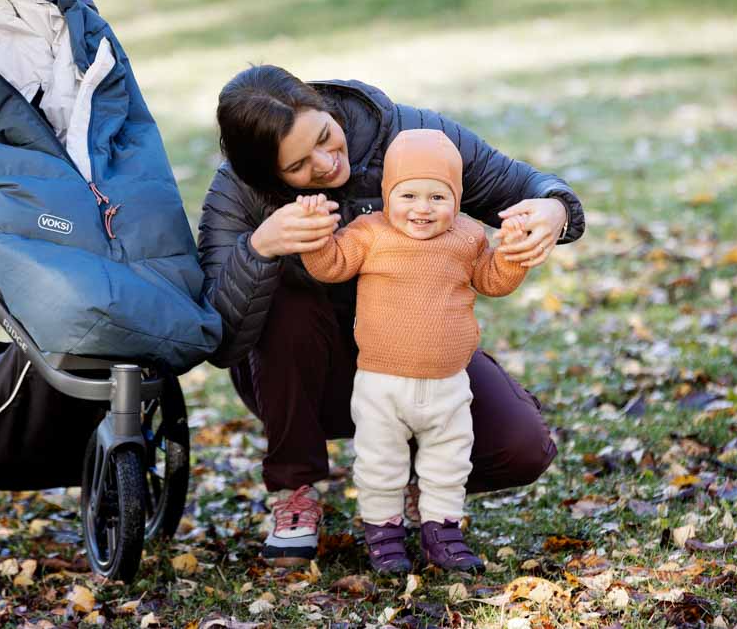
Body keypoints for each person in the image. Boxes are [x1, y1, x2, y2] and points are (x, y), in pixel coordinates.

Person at [197, 65, 583, 566]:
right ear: (268, 174)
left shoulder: (408, 136)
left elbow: (523, 184)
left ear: (323, 106)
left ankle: (419, 481)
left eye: (324, 137)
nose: (325, 161)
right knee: (288, 299)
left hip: (424, 355)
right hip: (305, 378)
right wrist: (260, 248)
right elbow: (219, 336)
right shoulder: (239, 190)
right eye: (298, 166)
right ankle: (295, 492)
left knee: (522, 448)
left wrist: (554, 208)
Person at [297, 129, 533, 573]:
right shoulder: (369, 233)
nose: (422, 209)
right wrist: (315, 236)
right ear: (388, 194)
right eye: (408, 195)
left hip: (448, 383)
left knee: (448, 462)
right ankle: (384, 536)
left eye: (437, 197)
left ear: (457, 200)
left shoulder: (467, 237)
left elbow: (493, 279)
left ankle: (442, 533)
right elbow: (332, 266)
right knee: (379, 463)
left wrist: (513, 253)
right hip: (382, 385)